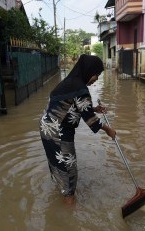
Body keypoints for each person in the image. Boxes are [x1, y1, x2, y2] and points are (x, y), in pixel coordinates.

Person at [39, 54, 116, 205]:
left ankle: (62, 193)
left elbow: (68, 106)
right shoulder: (81, 89)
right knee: (70, 172)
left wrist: (93, 108)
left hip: (47, 128)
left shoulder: (69, 82)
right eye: (96, 74)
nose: (96, 79)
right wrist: (108, 130)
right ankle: (69, 211)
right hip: (58, 133)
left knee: (58, 164)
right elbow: (91, 121)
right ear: (89, 71)